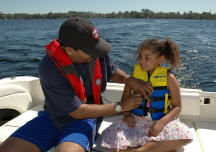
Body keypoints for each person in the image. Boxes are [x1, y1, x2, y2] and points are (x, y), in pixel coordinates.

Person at [0, 17, 153, 152]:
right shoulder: (48, 67)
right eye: (90, 50)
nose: (96, 53)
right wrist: (121, 106)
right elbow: (77, 111)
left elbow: (112, 71)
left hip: (86, 119)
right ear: (69, 50)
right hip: (53, 117)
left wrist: (127, 78)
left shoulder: (97, 52)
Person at [102, 38, 193, 152]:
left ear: (161, 59)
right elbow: (124, 100)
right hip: (137, 122)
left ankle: (140, 150)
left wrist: (161, 123)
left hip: (160, 121)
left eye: (147, 58)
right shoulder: (133, 77)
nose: (141, 61)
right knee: (112, 134)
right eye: (140, 56)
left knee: (184, 136)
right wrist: (127, 115)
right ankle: (153, 147)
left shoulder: (170, 79)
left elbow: (177, 106)